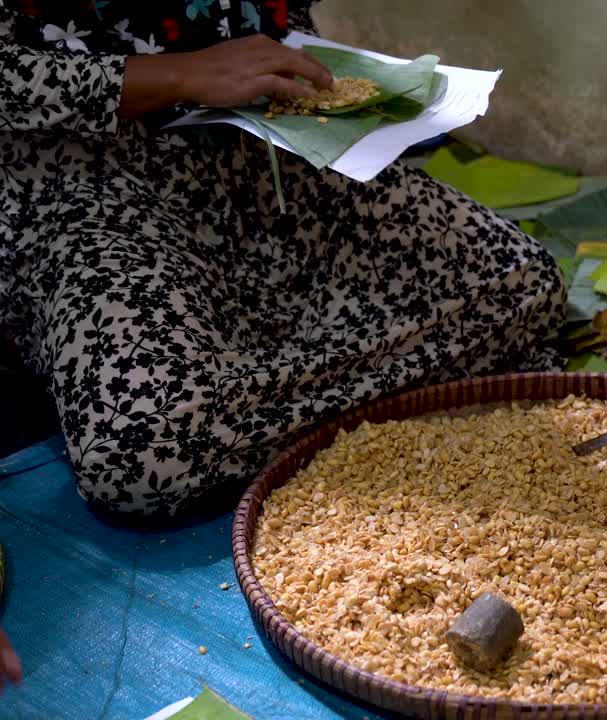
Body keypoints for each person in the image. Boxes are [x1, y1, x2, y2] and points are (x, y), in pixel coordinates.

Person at [0, 2, 565, 518]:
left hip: (261, 143)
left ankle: (250, 407)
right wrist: (178, 74)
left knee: (523, 284)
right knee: (141, 452)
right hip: (83, 182)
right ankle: (368, 399)